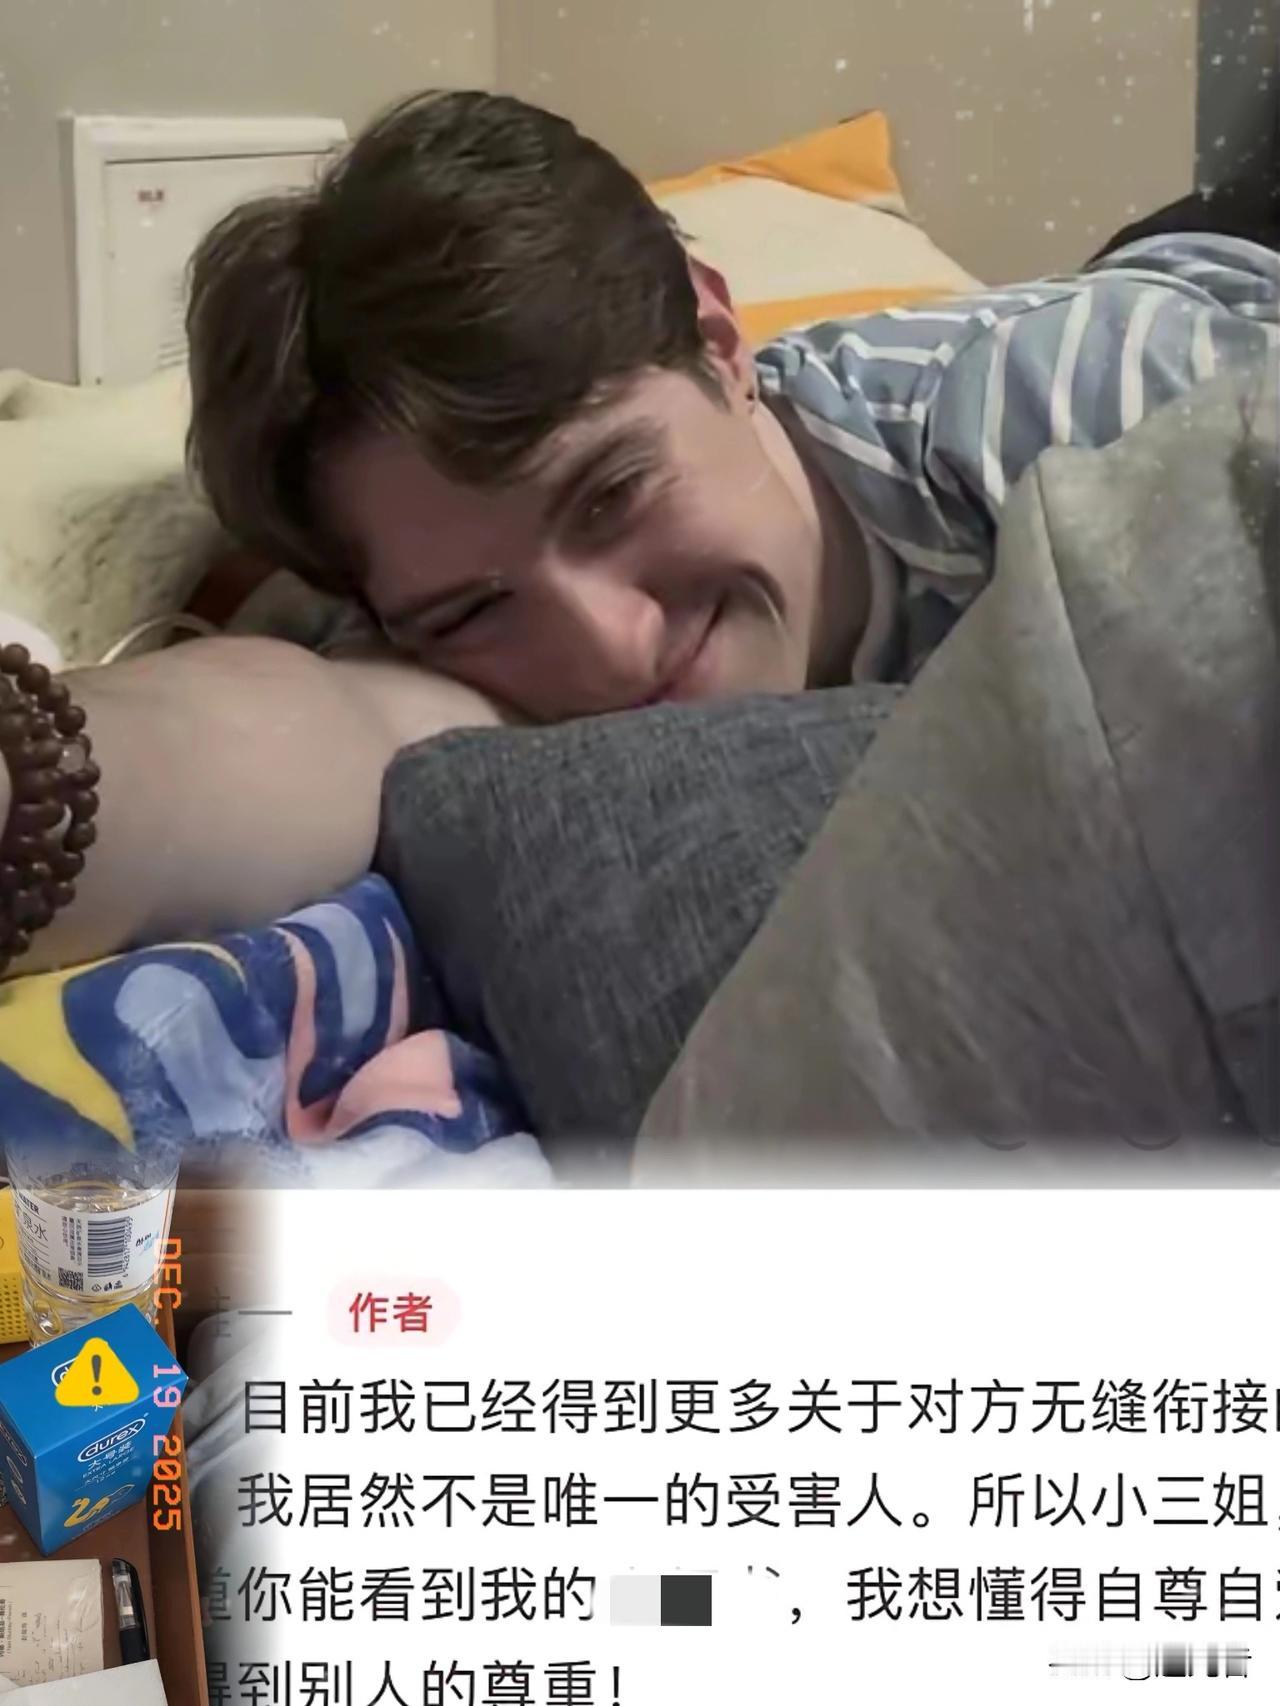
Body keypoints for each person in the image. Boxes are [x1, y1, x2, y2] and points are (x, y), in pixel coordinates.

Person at [1, 89, 1277, 980]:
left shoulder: (1085, 423)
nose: (609, 649)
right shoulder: (434, 601)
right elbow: (298, 731)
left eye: (611, 494)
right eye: (473, 608)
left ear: (720, 344)